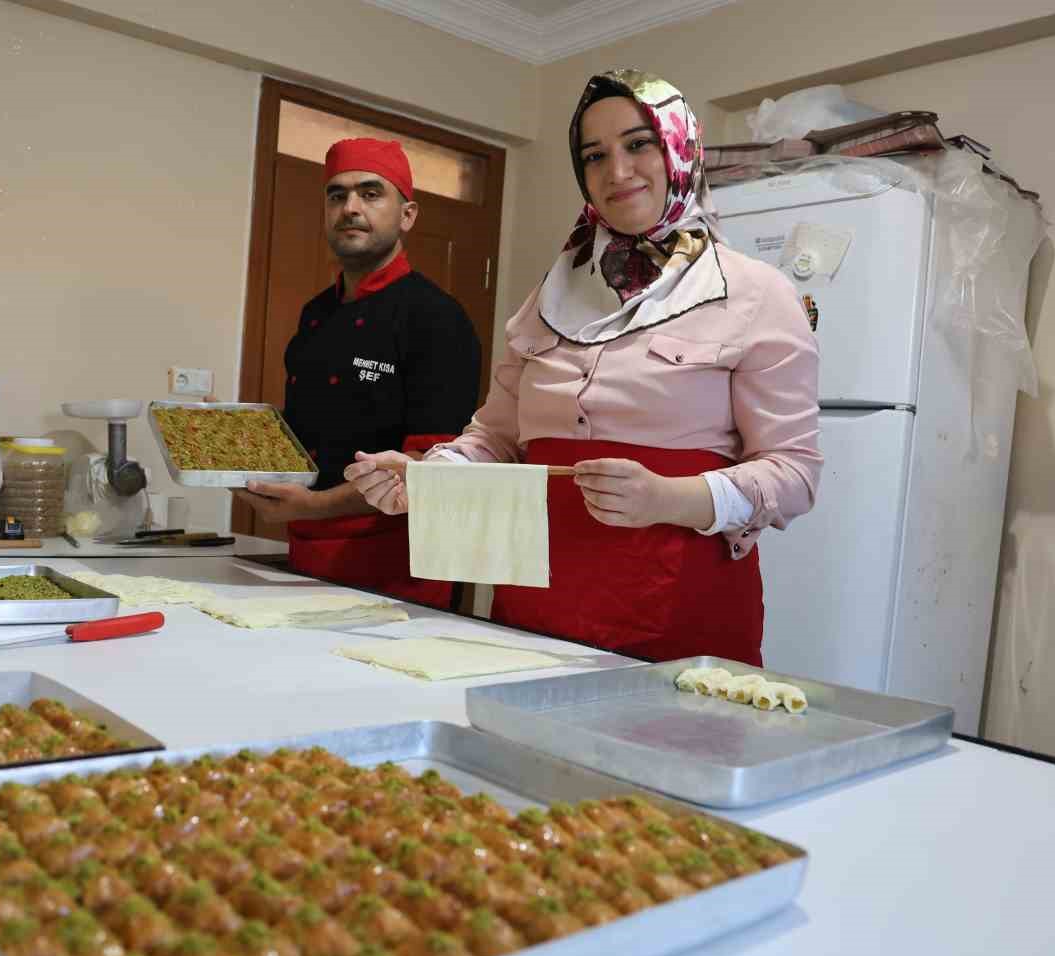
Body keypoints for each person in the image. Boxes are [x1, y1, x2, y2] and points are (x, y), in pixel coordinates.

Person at [345, 70, 821, 664]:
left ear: (680, 148)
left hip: (677, 617)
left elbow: (795, 474)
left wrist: (672, 499)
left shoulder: (754, 293)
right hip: (532, 613)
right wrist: (425, 477)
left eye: (638, 143)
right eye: (594, 155)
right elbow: (496, 438)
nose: (616, 171)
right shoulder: (550, 296)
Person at [234, 137, 481, 608]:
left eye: (370, 193)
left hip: (399, 567)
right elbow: (302, 432)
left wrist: (317, 506)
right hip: (308, 552)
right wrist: (235, 442)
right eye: (337, 195)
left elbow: (430, 468)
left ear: (407, 215)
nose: (350, 207)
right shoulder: (315, 314)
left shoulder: (436, 318)